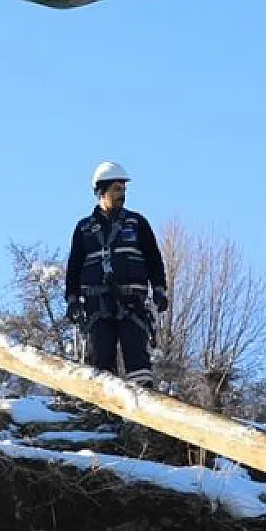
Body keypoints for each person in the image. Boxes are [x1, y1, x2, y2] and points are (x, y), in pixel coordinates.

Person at [64, 161, 167, 389]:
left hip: (132, 302)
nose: (122, 194)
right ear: (102, 191)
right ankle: (104, 418)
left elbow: (153, 260)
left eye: (124, 189)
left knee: (137, 359)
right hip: (97, 303)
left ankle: (142, 415)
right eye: (117, 189)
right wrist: (72, 300)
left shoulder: (138, 223)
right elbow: (74, 268)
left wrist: (159, 290)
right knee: (101, 361)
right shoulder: (84, 229)